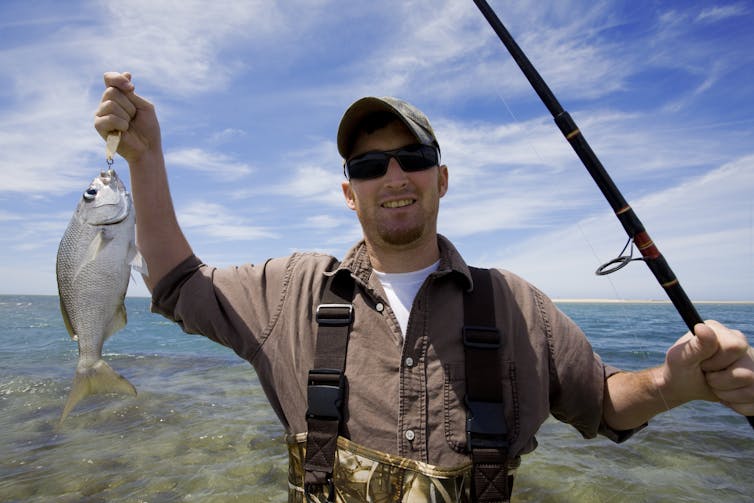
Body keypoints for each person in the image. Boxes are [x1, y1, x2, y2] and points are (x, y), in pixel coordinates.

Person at [94, 71, 754, 503]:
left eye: (413, 158)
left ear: (442, 179)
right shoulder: (289, 291)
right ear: (350, 191)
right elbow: (178, 283)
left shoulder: (518, 304)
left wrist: (677, 385)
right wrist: (146, 157)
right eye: (371, 164)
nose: (395, 175)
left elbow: (605, 402)